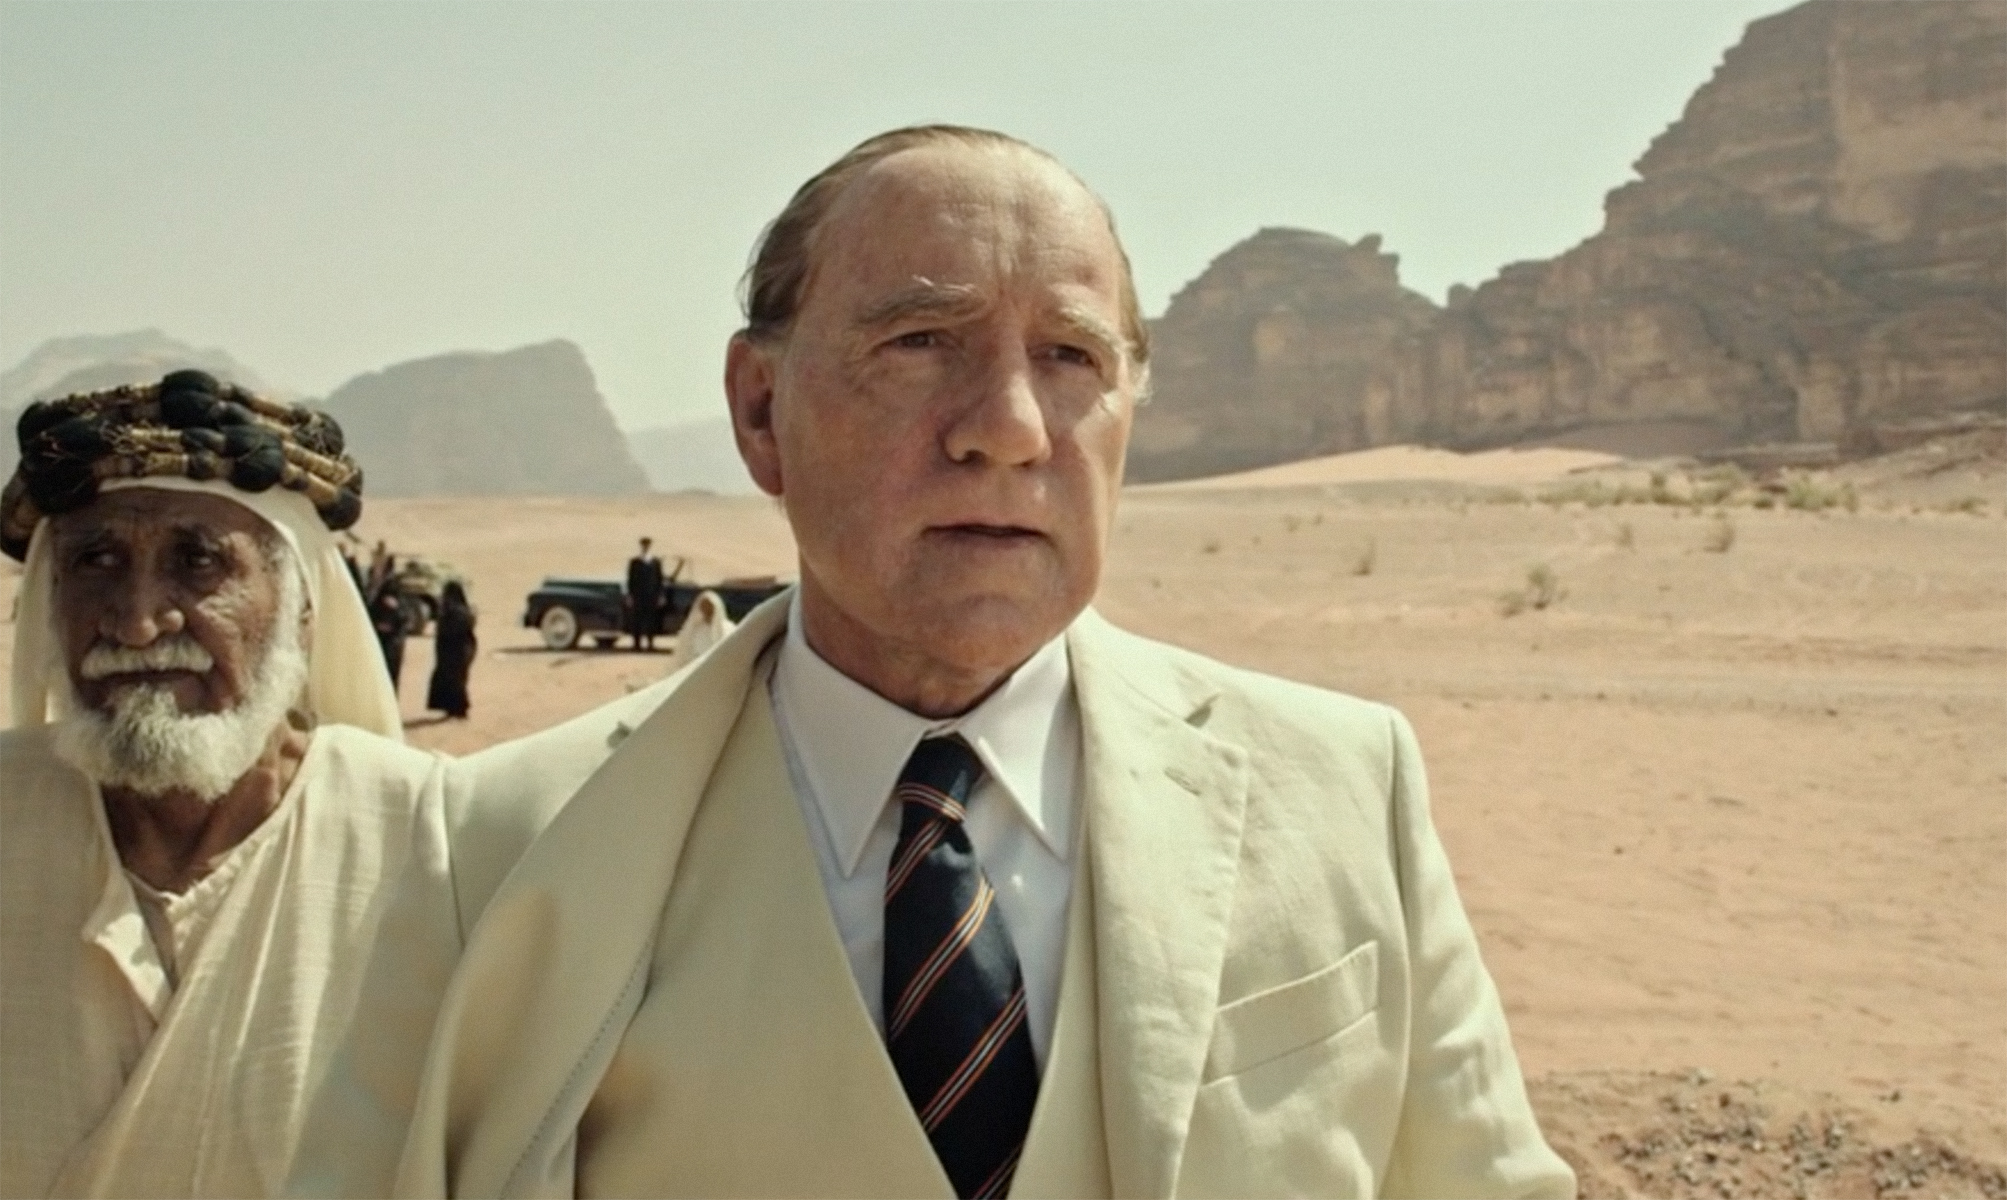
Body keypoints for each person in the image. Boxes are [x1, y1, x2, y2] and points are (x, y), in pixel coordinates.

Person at [391, 127, 1574, 1199]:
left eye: (1070, 355)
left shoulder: (1345, 787)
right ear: (760, 411)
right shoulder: (496, 850)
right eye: (919, 341)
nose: (1008, 426)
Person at [0, 372, 580, 1197]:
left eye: (198, 561)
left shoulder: (442, 847)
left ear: (301, 607)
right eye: (95, 561)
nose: (136, 620)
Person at [426, 580, 477, 719]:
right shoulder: (453, 609)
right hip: (451, 652)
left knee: (456, 681)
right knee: (450, 680)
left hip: (457, 652)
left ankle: (459, 709)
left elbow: (454, 630)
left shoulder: (459, 612)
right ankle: (451, 708)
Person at [369, 560, 407, 689]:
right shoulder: (378, 595)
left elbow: (403, 617)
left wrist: (395, 610)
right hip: (380, 641)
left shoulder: (395, 592)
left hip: (392, 643)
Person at [625, 536, 665, 650]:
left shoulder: (655, 561)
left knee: (651, 620)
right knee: (637, 619)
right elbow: (630, 579)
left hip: (652, 595)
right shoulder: (635, 561)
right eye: (644, 545)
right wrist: (629, 595)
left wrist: (661, 595)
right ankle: (636, 644)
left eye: (647, 545)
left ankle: (650, 644)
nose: (645, 547)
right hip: (638, 595)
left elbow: (659, 579)